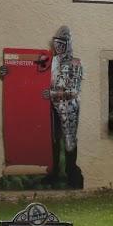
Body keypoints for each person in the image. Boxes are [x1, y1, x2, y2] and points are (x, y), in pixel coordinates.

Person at [44, 25, 84, 189]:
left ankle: (71, 175)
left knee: (69, 141)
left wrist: (53, 94)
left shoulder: (75, 63)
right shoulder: (50, 62)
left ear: (68, 44)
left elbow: (74, 90)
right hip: (53, 107)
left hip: (69, 108)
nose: (58, 46)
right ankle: (55, 173)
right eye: (57, 43)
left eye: (62, 43)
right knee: (54, 140)